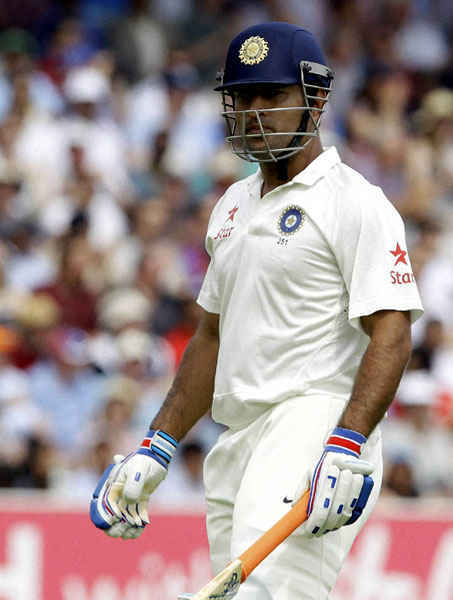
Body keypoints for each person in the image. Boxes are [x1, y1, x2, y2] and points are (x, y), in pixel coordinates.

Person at [90, 22, 423, 599]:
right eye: (242, 98)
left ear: (316, 98)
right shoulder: (232, 204)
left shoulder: (355, 202)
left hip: (313, 422)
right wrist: (156, 446)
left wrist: (347, 442)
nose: (254, 113)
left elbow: (391, 332)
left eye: (272, 95)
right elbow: (211, 337)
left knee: (266, 593)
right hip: (237, 434)